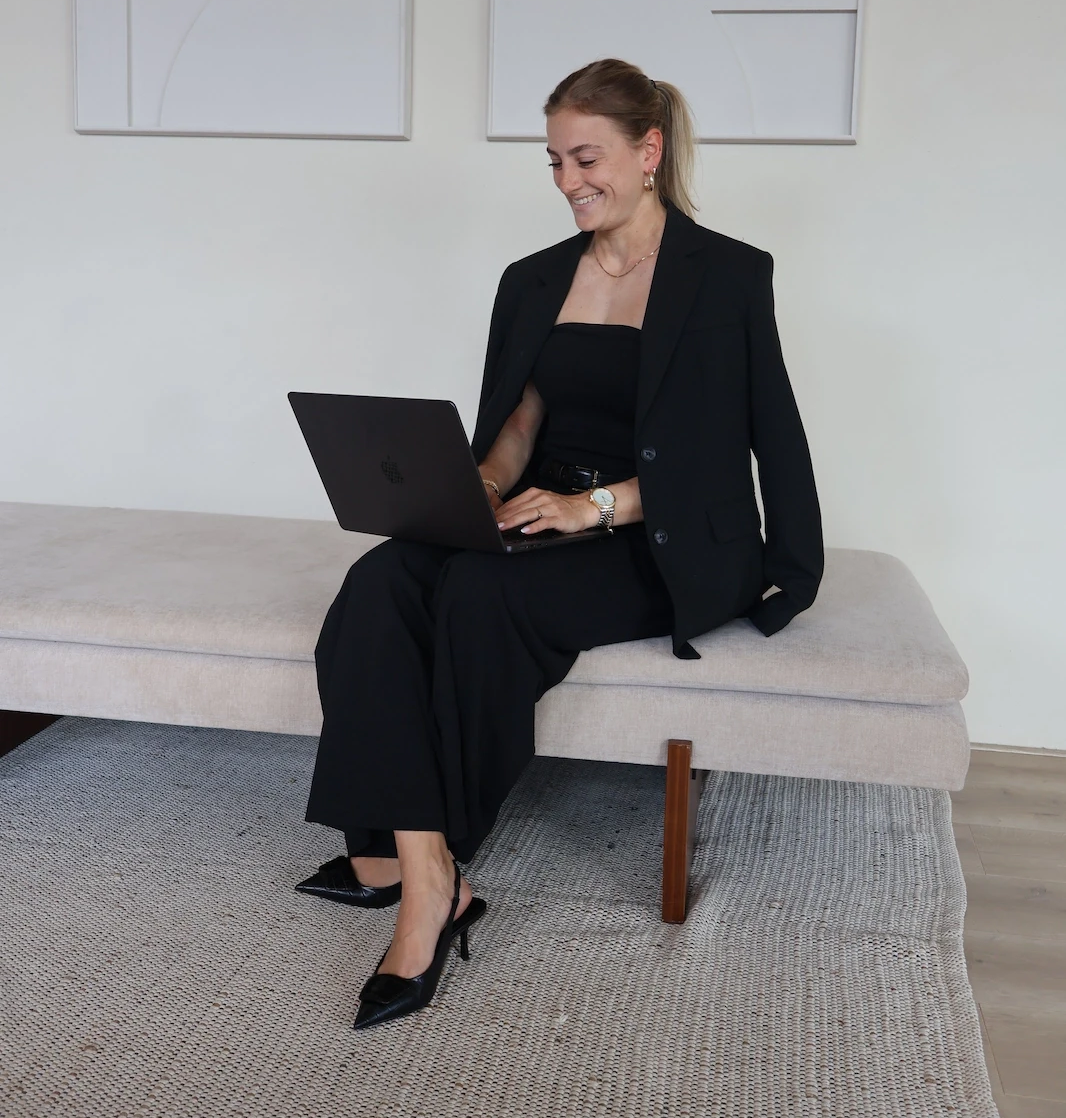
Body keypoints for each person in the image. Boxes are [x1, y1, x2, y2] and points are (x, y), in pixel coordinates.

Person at [297, 57, 823, 1031]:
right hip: (539, 512)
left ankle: (417, 883)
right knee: (379, 582)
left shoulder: (727, 275)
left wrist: (617, 512)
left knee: (479, 598)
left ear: (648, 151)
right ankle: (416, 862)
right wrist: (474, 493)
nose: (567, 180)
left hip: (649, 532)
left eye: (586, 158)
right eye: (553, 161)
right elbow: (518, 426)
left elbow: (749, 442)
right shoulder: (534, 278)